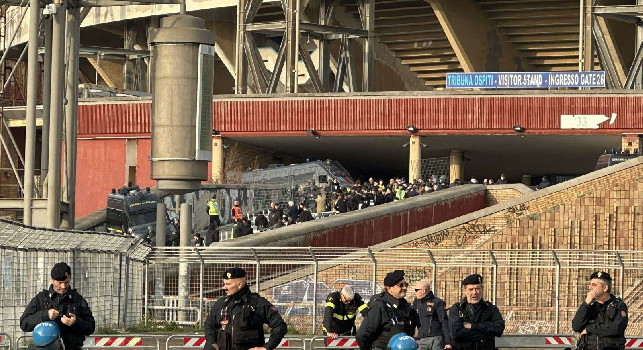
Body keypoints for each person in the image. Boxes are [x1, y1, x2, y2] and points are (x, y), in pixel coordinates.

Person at [204, 267, 287, 350]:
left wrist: (266, 347)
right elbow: (209, 325)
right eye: (224, 284)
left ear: (239, 284)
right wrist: (212, 342)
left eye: (228, 284)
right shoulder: (221, 303)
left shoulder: (257, 303)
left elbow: (280, 326)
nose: (224, 287)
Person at [20, 262, 95, 350]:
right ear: (52, 279)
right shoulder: (41, 299)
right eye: (59, 282)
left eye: (66, 282)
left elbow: (91, 326)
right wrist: (45, 315)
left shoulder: (77, 299)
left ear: (70, 278)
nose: (63, 286)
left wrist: (76, 322)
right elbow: (24, 323)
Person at [356, 270, 417, 350]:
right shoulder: (380, 305)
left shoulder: (404, 305)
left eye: (406, 284)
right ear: (389, 288)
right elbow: (362, 335)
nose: (405, 288)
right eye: (401, 285)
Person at [572, 271, 628, 350]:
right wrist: (586, 303)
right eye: (590, 284)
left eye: (594, 285)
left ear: (605, 288)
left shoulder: (618, 305)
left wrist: (589, 329)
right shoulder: (589, 305)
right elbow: (576, 327)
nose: (590, 287)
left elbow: (616, 328)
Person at [448, 274, 504, 350]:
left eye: (477, 289)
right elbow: (456, 334)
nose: (475, 292)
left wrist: (473, 326)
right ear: (465, 291)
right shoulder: (457, 309)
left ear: (482, 289)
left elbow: (499, 329)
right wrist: (487, 334)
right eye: (471, 289)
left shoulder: (490, 308)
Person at [412, 281, 451, 350]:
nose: (415, 292)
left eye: (417, 290)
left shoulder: (437, 302)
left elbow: (444, 321)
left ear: (423, 291)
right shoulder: (416, 302)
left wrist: (448, 342)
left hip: (436, 339)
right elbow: (413, 320)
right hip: (422, 339)